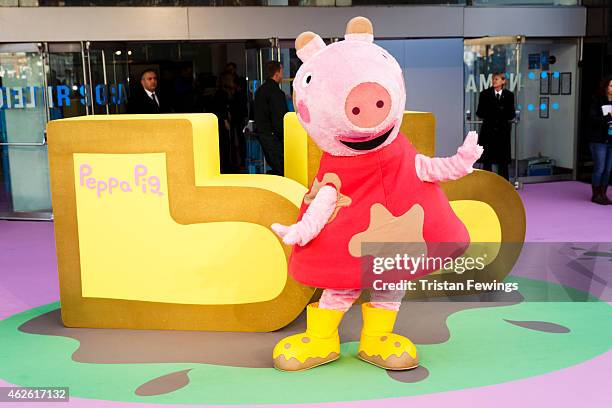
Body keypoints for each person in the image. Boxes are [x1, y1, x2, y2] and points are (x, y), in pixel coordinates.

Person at [476, 72, 516, 180]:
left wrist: (500, 112)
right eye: (493, 79)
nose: (494, 81)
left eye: (497, 79)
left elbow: (511, 114)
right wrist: (493, 112)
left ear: (503, 81)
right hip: (488, 132)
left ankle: (504, 185)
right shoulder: (484, 94)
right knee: (487, 161)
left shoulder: (509, 95)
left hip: (502, 133)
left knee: (503, 162)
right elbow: (479, 113)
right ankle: (485, 184)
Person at [254, 61, 288, 176]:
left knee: (274, 166)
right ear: (277, 73)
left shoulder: (259, 91)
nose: (282, 75)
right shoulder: (276, 93)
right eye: (282, 71)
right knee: (282, 169)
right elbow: (279, 118)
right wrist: (285, 136)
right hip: (274, 138)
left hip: (263, 135)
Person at [587, 75, 612, 205]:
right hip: (598, 140)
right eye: (611, 86)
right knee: (600, 168)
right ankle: (596, 194)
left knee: (608, 170)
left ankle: (603, 194)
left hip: (611, 139)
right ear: (606, 86)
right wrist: (608, 118)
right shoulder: (598, 100)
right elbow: (592, 119)